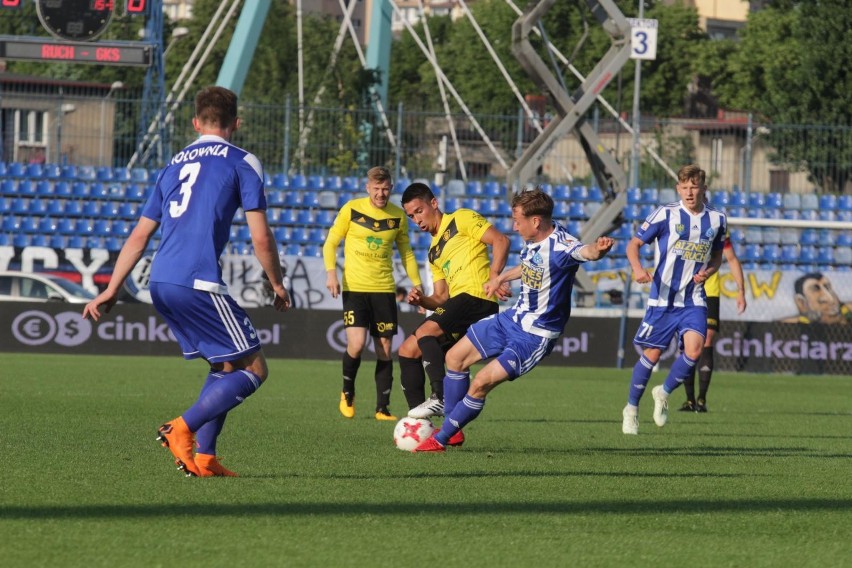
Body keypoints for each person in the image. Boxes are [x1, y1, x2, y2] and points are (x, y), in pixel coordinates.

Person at [82, 86, 290, 477]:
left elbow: (140, 235)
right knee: (255, 369)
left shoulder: (173, 164)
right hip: (198, 281)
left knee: (224, 366)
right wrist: (277, 284)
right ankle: (181, 427)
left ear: (196, 123)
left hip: (160, 280)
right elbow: (260, 236)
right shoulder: (243, 161)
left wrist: (111, 288)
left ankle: (206, 458)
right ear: (236, 123)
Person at [413, 188, 614, 452]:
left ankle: (439, 439)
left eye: (517, 220)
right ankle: (453, 431)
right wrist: (499, 278)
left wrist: (598, 251)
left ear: (535, 221)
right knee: (454, 358)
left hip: (534, 336)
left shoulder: (563, 246)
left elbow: (584, 252)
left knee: (481, 383)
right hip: (512, 319)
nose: (513, 226)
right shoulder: (536, 240)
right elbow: (530, 265)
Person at [622, 164, 725, 435]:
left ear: (704, 188)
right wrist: (637, 268)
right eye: (684, 187)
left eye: (694, 187)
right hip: (663, 299)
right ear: (678, 188)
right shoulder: (665, 214)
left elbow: (717, 256)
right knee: (652, 355)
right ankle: (631, 409)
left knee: (694, 349)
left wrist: (709, 271)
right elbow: (633, 245)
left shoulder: (717, 219)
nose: (689, 193)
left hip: (693, 299)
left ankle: (664, 392)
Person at [398, 182, 510, 421]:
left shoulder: (461, 218)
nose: (416, 219)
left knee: (426, 332)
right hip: (458, 304)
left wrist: (494, 277)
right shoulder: (432, 252)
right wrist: (422, 300)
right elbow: (440, 298)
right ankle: (420, 424)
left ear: (434, 203)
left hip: (477, 298)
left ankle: (441, 397)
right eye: (411, 216)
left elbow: (501, 241)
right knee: (407, 350)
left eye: (419, 211)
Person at [323, 166, 423, 421]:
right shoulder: (351, 209)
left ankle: (383, 408)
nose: (381, 193)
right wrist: (331, 273)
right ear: (368, 187)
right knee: (356, 344)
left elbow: (407, 253)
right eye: (376, 189)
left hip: (384, 290)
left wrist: (417, 284)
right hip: (355, 288)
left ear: (391, 188)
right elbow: (331, 242)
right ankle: (347, 392)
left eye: (385, 189)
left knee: (385, 348)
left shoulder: (398, 217)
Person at [679, 230, 747, 413]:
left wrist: (741, 291)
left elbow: (731, 259)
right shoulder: (680, 219)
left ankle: (702, 399)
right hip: (684, 289)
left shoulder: (718, 225)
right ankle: (689, 399)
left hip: (709, 290)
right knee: (688, 344)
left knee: (707, 338)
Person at [783, 272, 852, 325]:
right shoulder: (796, 324)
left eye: (827, 287)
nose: (829, 298)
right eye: (815, 289)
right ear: (801, 302)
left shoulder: (847, 310)